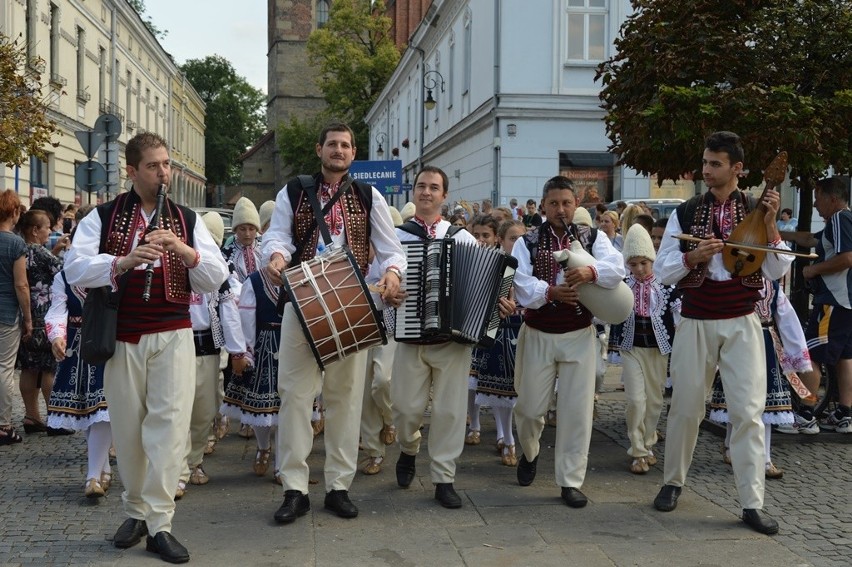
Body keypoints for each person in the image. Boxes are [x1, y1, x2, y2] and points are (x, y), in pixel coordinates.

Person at [64, 132, 229, 563]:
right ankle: (135, 510)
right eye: (154, 166)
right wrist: (122, 262)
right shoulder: (103, 217)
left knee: (170, 428)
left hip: (173, 334)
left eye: (166, 164)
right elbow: (75, 268)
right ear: (132, 171)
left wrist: (183, 250)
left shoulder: (187, 218)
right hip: (121, 337)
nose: (163, 173)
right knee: (129, 429)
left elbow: (216, 275)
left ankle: (159, 522)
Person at [262, 122, 405, 524]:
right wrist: (275, 259)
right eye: (332, 144)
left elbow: (390, 249)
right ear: (319, 149)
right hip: (303, 301)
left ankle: (339, 487)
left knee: (345, 400)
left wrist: (392, 275)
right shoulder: (293, 190)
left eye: (345, 145)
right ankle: (294, 488)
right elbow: (276, 238)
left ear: (353, 153)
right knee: (294, 395)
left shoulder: (367, 194)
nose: (338, 150)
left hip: (354, 303)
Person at [652, 131, 792, 535]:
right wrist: (691, 256)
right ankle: (673, 482)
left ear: (738, 169)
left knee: (748, 413)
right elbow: (663, 271)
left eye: (715, 164)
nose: (706, 170)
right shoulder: (687, 211)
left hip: (742, 321)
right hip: (695, 320)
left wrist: (769, 225)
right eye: (705, 162)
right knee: (686, 408)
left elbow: (776, 270)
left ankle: (751, 503)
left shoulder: (755, 208)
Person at [391, 167, 512, 509]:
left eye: (434, 187)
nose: (426, 192)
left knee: (449, 412)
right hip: (410, 337)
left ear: (444, 196)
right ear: (413, 193)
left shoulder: (460, 237)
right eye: (421, 186)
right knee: (404, 410)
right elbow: (378, 281)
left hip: (452, 342)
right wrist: (390, 294)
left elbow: (486, 281)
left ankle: (444, 478)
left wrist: (497, 308)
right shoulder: (399, 237)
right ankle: (408, 447)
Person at [511, 175, 625, 508]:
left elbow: (616, 268)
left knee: (576, 412)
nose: (561, 209)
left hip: (578, 334)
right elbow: (520, 284)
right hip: (538, 334)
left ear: (576, 205)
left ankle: (570, 480)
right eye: (554, 203)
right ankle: (530, 453)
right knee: (530, 410)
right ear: (543, 206)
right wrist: (549, 292)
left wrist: (591, 273)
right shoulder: (528, 241)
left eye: (566, 203)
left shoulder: (593, 237)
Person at [710, 278, 810, 478]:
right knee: (736, 397)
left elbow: (788, 320)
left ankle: (764, 459)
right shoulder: (732, 281)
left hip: (766, 345)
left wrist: (797, 353)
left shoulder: (772, 288)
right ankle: (730, 447)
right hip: (738, 342)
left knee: (765, 404)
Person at [177, 212, 246, 497]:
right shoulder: (174, 264)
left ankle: (194, 460)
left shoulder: (219, 270)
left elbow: (229, 309)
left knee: (205, 409)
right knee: (177, 409)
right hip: (177, 344)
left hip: (206, 346)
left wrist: (237, 349)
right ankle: (180, 469)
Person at [791, 177, 852, 434]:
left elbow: (847, 258)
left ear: (832, 199)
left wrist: (812, 271)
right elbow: (809, 240)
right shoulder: (839, 223)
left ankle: (805, 414)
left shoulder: (840, 219)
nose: (815, 204)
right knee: (845, 357)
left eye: (817, 198)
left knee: (812, 355)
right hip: (846, 304)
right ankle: (844, 414)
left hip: (834, 301)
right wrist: (772, 229)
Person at [617, 225, 680, 474]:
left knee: (654, 402)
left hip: (658, 350)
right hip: (631, 347)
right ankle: (638, 451)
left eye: (643, 262)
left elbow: (679, 316)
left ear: (651, 259)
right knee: (635, 400)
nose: (639, 269)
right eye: (633, 264)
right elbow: (607, 310)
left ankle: (648, 443)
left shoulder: (666, 285)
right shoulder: (621, 286)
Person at [474, 219, 527, 466]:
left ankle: (518, 438)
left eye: (521, 238)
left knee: (522, 393)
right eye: (512, 238)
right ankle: (507, 439)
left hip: (525, 331)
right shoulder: (494, 264)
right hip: (499, 331)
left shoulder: (531, 264)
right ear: (502, 241)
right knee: (501, 392)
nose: (517, 243)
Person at [15, 209, 64, 435]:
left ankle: (31, 416)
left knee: (29, 367)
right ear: (35, 230)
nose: (50, 231)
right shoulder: (41, 253)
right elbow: (63, 272)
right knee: (49, 367)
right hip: (45, 315)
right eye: (47, 227)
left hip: (25, 314)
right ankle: (55, 418)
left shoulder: (20, 250)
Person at [464, 214, 503, 448]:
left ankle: (501, 430)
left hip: (494, 323)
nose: (480, 240)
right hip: (470, 322)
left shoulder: (504, 260)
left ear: (496, 237)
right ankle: (474, 424)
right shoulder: (466, 257)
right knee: (471, 379)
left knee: (496, 379)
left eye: (486, 235)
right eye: (476, 235)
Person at [0, 190, 29, 446]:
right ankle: (3, 425)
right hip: (7, 313)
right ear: (14, 212)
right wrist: (28, 319)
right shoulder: (16, 244)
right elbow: (21, 285)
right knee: (4, 369)